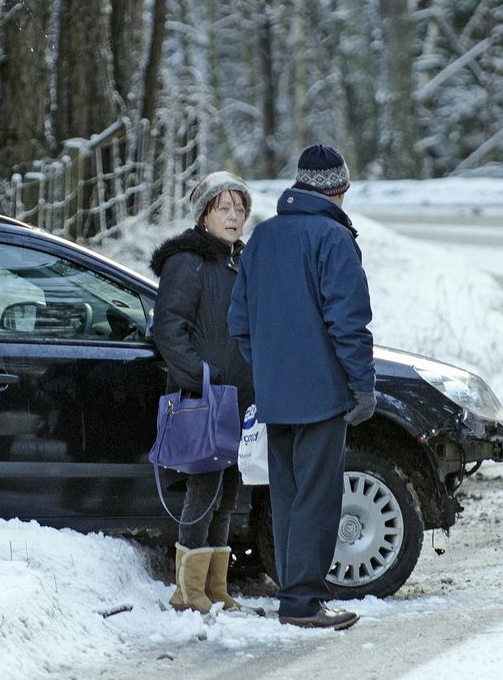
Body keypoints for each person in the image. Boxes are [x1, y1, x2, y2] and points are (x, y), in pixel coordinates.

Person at [229, 144, 376, 631]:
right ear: (340, 189)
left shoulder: (263, 237)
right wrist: (362, 385)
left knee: (288, 498)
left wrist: (271, 371)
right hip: (322, 396)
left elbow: (239, 324)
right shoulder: (332, 238)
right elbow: (348, 323)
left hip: (277, 398)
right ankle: (303, 602)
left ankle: (294, 595)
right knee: (318, 497)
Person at [149, 170, 257, 613]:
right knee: (204, 489)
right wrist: (202, 378)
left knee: (228, 493)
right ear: (204, 215)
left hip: (238, 396)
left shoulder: (239, 261)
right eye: (224, 208)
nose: (234, 217)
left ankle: (215, 588)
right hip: (206, 398)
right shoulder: (187, 262)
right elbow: (168, 330)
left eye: (239, 208)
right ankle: (187, 592)